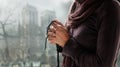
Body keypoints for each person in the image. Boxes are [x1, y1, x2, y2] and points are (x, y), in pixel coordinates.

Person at [48, 0, 120, 67]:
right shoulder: (75, 6)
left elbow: (103, 65)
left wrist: (67, 43)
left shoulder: (110, 7)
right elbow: (74, 47)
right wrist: (60, 37)